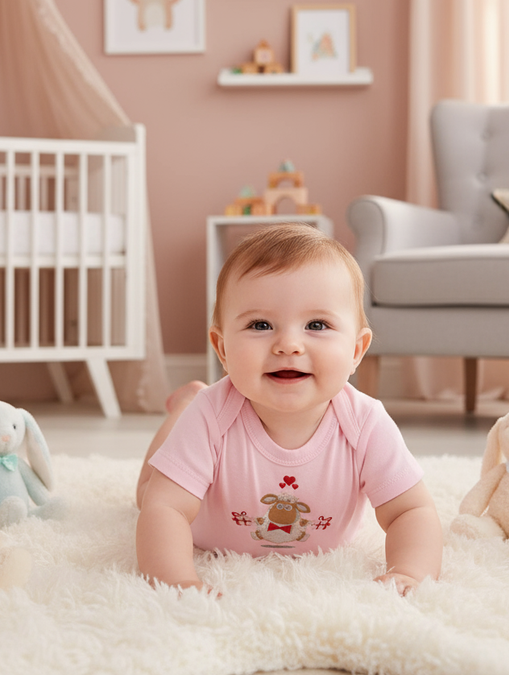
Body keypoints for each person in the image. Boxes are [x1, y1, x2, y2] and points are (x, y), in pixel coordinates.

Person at [136, 223, 442, 596]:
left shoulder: (365, 422)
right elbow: (165, 509)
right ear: (223, 349)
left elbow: (410, 511)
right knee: (147, 495)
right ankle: (182, 404)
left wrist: (409, 571)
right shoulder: (210, 415)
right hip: (205, 518)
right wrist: (179, 581)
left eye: (317, 324)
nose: (288, 345)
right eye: (260, 324)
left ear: (356, 351)